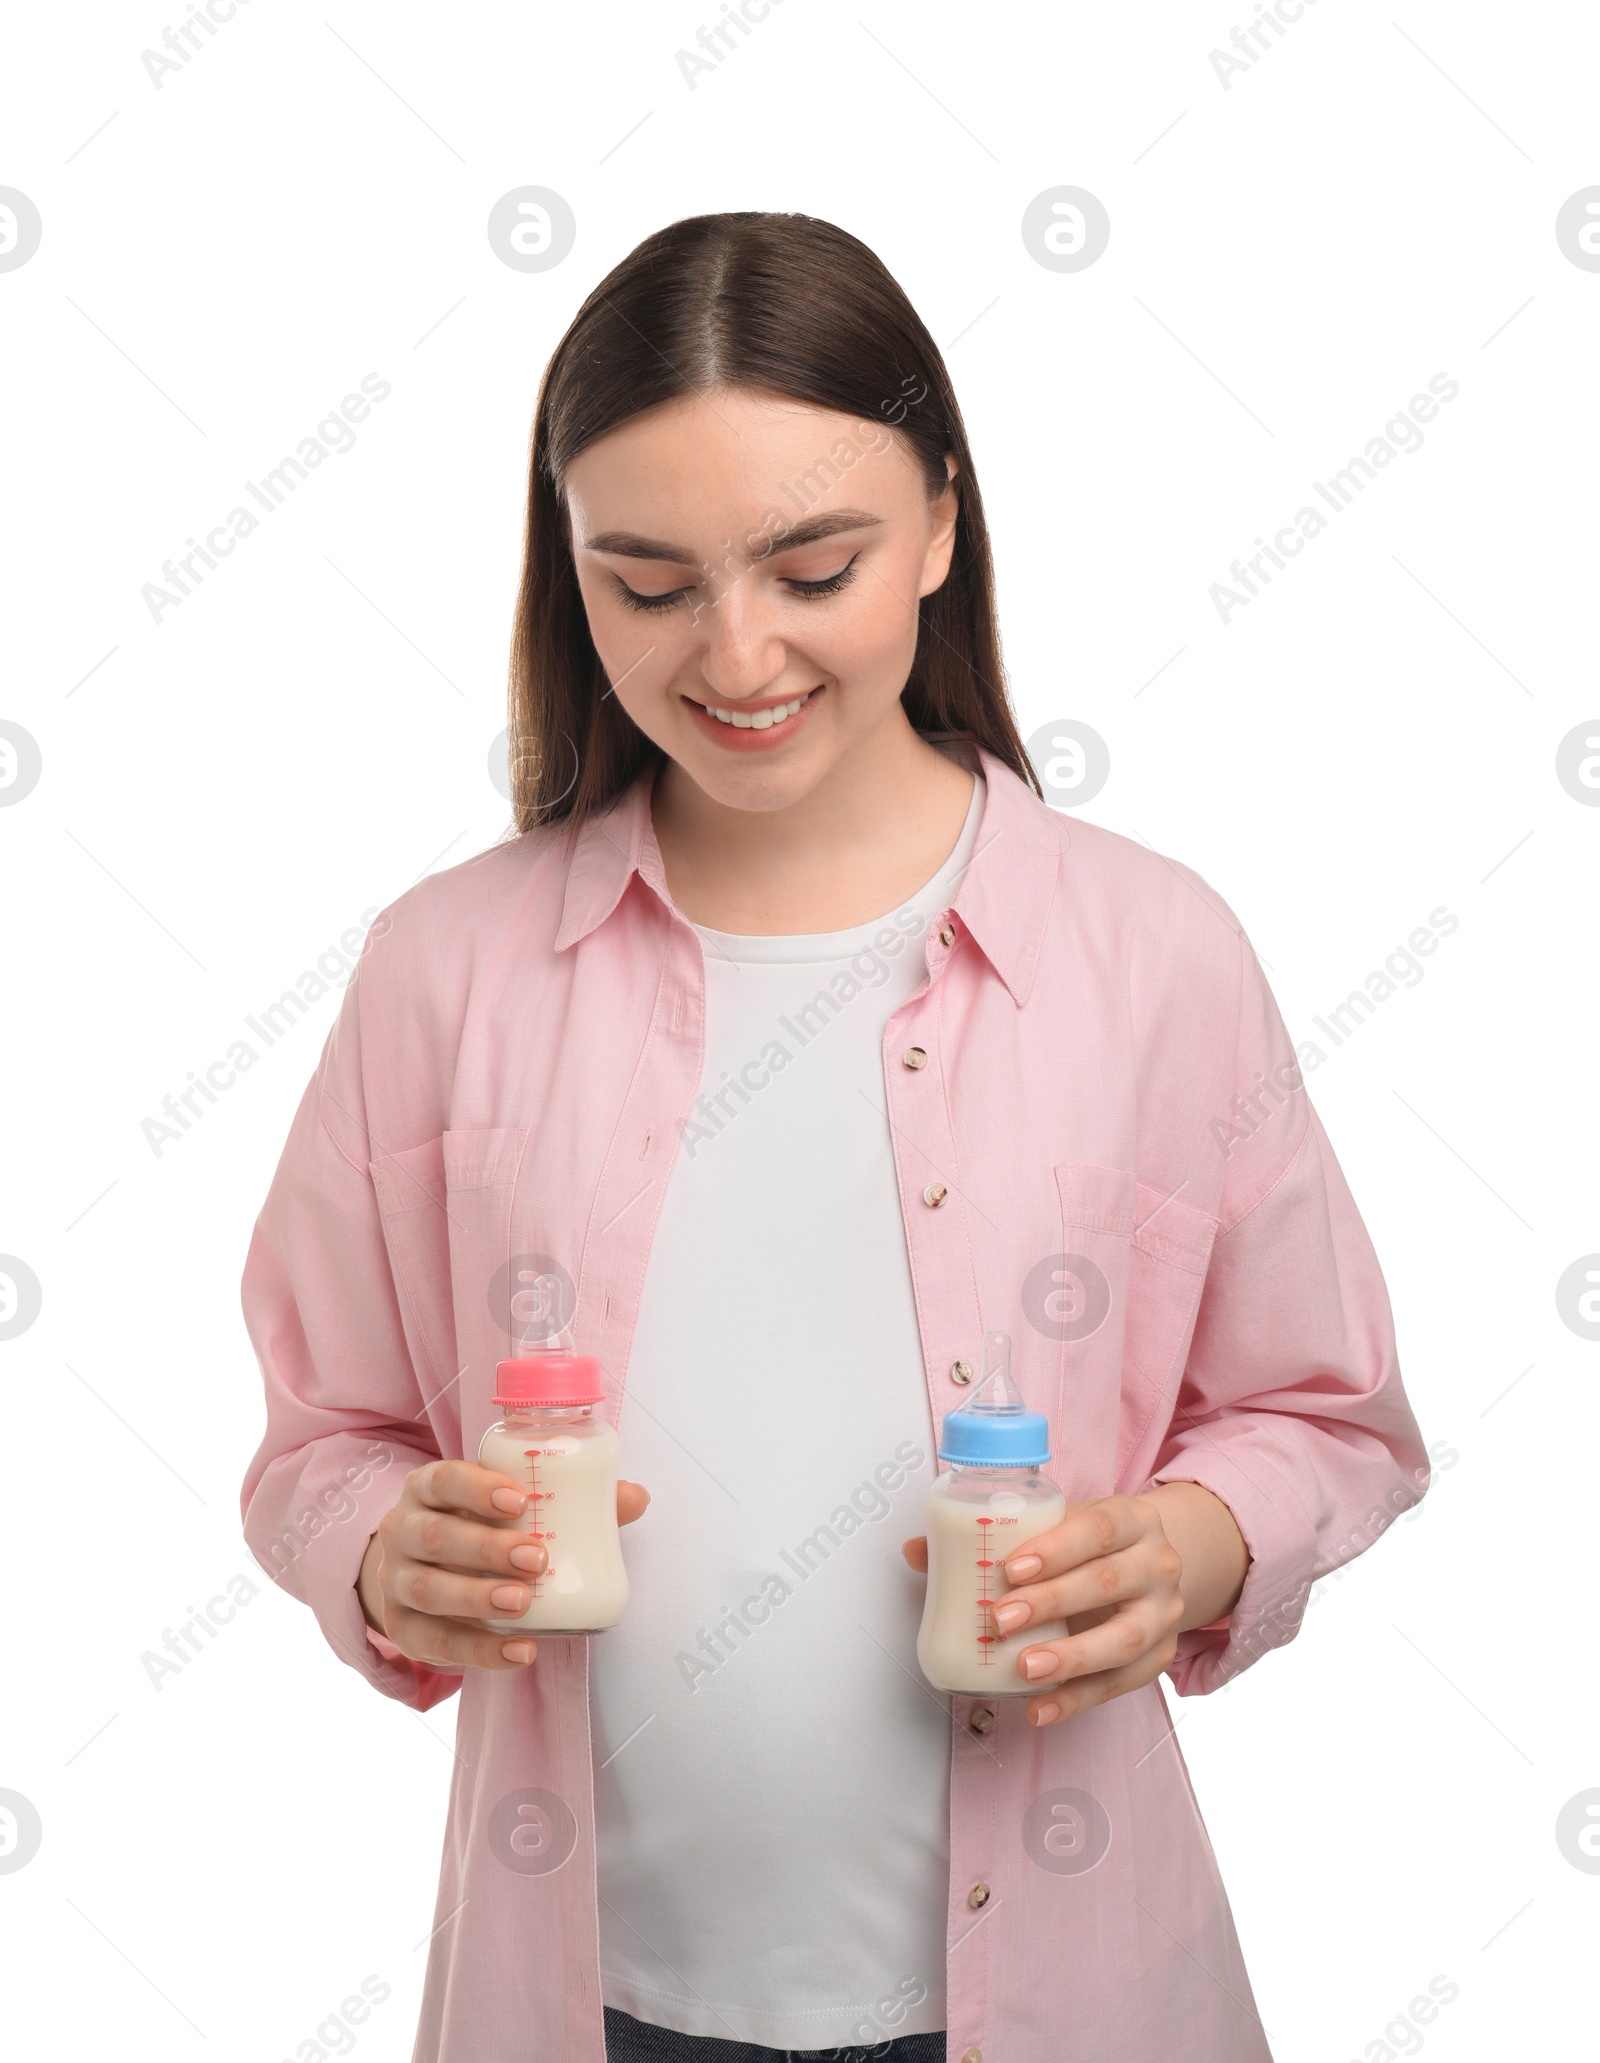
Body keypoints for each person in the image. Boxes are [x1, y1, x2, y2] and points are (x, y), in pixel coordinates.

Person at [239, 211, 1429, 2063]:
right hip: (589, 2002)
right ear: (570, 574)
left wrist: (1186, 1549)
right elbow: (325, 1437)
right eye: (646, 584)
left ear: (942, 525)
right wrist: (383, 1555)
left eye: (815, 565)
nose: (737, 653)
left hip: (1064, 1992)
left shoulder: (1153, 951)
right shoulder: (442, 971)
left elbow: (1327, 1412)